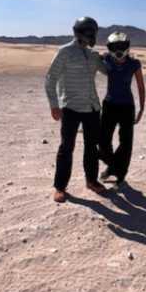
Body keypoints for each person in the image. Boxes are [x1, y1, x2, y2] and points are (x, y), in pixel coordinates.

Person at [44, 17, 108, 203]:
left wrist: (113, 58)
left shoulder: (93, 55)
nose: (92, 36)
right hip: (70, 107)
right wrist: (54, 105)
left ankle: (91, 181)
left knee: (92, 147)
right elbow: (50, 79)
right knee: (67, 147)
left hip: (92, 107)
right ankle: (60, 187)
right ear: (80, 32)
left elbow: (107, 71)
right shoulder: (64, 52)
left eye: (94, 32)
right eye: (89, 32)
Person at [98, 32, 146, 186]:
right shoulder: (106, 59)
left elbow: (140, 86)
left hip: (127, 106)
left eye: (121, 46)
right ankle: (113, 167)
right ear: (109, 48)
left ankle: (120, 175)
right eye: (114, 47)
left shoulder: (134, 64)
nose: (118, 50)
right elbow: (90, 58)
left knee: (126, 143)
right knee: (103, 141)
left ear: (127, 46)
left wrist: (141, 109)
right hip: (109, 105)